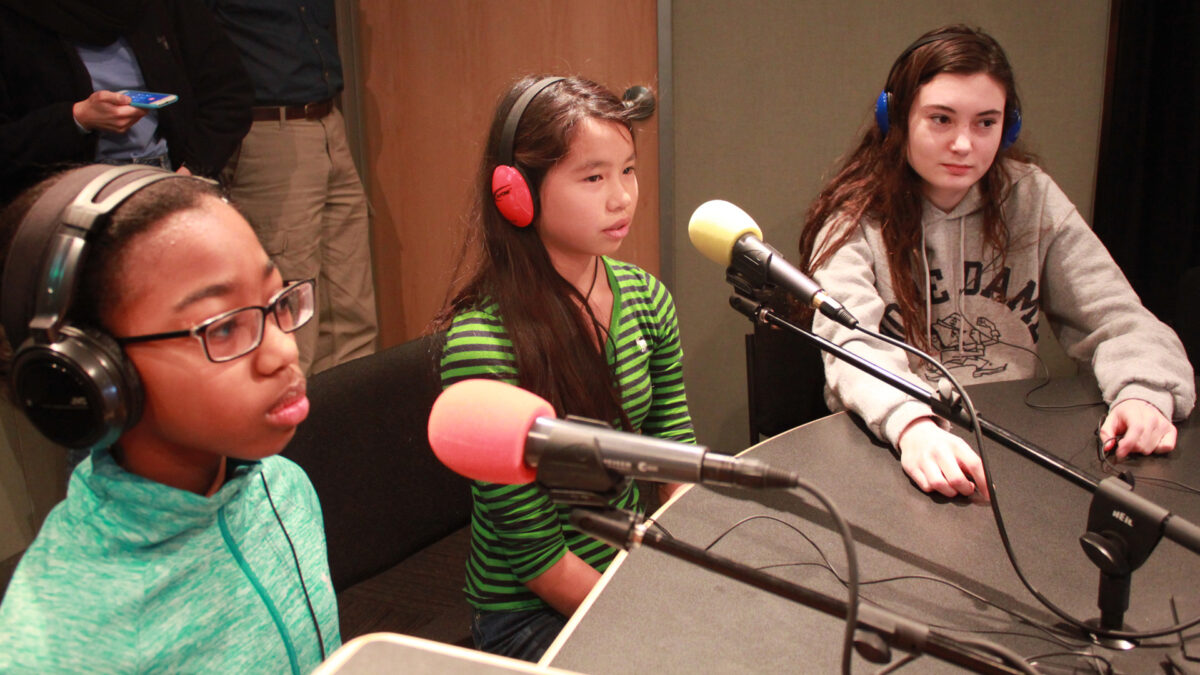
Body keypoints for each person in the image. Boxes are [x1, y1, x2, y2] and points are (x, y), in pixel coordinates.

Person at [797, 25, 1195, 500]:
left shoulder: (1030, 197)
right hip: (896, 443)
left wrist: (1144, 392)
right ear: (896, 117)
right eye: (941, 119)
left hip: (1011, 448)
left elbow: (1118, 318)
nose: (965, 144)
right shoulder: (853, 216)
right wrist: (914, 425)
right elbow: (851, 344)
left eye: (985, 122)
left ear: (1008, 127)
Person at [0, 164, 339, 672]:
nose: (283, 351)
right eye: (223, 329)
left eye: (275, 300)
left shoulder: (283, 489)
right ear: (94, 373)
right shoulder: (57, 643)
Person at [436, 75, 695, 661]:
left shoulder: (647, 298)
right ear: (515, 194)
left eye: (627, 170)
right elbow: (537, 558)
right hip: (529, 611)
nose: (622, 197)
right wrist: (654, 620)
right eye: (594, 177)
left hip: (626, 572)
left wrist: (687, 575)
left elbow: (671, 448)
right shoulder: (484, 342)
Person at [203, 0, 378, 375]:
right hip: (269, 129)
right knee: (293, 319)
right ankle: (294, 430)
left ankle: (353, 425)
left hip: (329, 119)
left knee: (353, 311)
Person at [0, 0, 253, 204]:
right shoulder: (13, 19)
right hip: (60, 198)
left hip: (166, 181)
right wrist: (77, 118)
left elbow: (229, 93)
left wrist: (191, 172)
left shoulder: (161, 8)